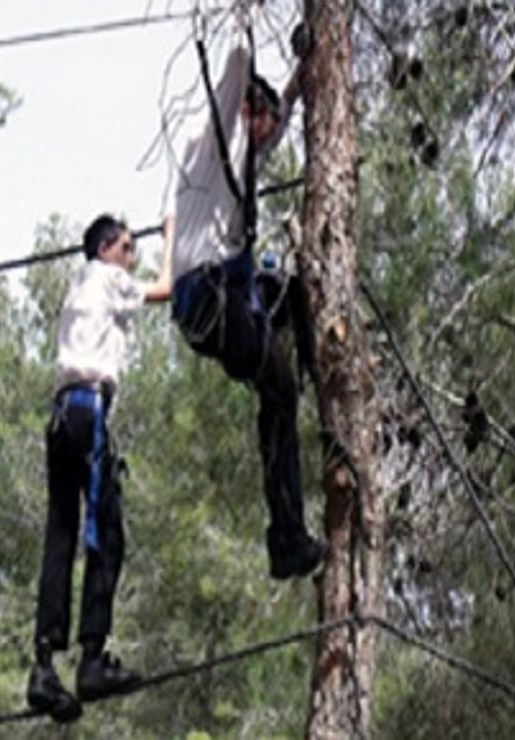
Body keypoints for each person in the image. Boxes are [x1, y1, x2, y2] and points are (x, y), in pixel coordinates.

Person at [170, 11, 326, 580]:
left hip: (226, 293)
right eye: (264, 121)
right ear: (245, 112)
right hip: (208, 297)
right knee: (279, 392)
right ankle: (285, 538)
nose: (269, 136)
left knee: (294, 294)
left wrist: (304, 71)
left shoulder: (241, 156)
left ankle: (312, 370)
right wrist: (243, 17)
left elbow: (277, 125)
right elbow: (237, 63)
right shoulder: (212, 141)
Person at [27, 213, 174, 722]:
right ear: (106, 248)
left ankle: (44, 665)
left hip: (62, 414)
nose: (132, 257)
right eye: (129, 248)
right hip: (89, 410)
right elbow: (166, 289)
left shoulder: (76, 291)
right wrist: (171, 233)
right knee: (105, 535)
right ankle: (91, 659)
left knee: (61, 537)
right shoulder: (108, 277)